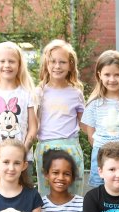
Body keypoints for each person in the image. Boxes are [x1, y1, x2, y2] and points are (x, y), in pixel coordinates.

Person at [0, 41, 38, 178]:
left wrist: (22, 151)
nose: (7, 65)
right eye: (2, 61)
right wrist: (0, 151)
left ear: (19, 65)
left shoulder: (27, 93)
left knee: (24, 197)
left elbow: (33, 127)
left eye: (11, 61)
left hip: (23, 160)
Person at [34, 40, 85, 196]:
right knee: (47, 193)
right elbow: (30, 122)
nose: (57, 66)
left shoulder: (75, 93)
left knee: (73, 191)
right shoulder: (39, 92)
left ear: (70, 65)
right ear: (46, 64)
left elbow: (84, 123)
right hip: (46, 148)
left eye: (62, 62)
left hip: (70, 147)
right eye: (53, 61)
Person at [82, 50, 119, 189]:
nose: (112, 79)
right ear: (99, 75)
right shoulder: (94, 104)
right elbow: (91, 135)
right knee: (99, 189)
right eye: (107, 74)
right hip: (101, 152)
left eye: (117, 75)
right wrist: (104, 149)